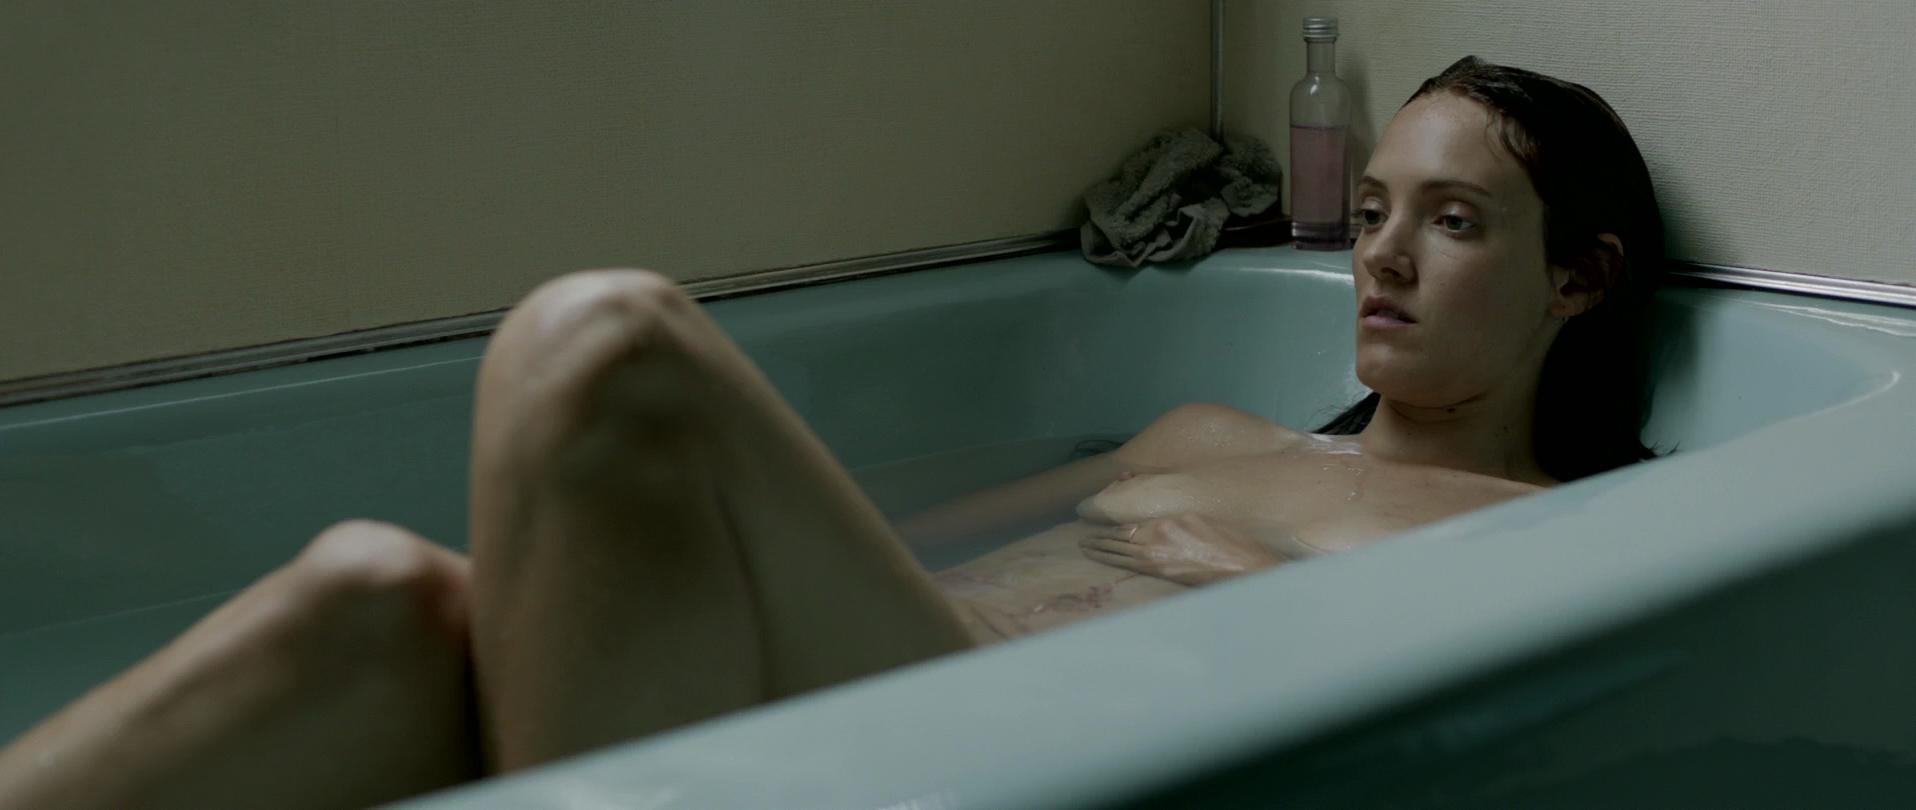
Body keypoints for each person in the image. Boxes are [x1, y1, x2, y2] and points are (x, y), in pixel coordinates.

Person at [0, 56, 1665, 809]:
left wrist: (1243, 595)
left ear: (1576, 278)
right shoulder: (1202, 420)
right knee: (370, 593)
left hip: (968, 756)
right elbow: (877, 545)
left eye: (1451, 221)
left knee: (605, 344)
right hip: (815, 688)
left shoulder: (1527, 536)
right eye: (1369, 209)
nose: (1378, 255)